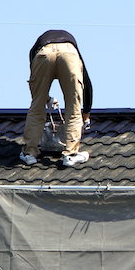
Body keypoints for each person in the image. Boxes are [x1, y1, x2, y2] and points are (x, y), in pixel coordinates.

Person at [20, 30, 93, 167]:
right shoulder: (72, 45)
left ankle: (29, 153)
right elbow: (87, 84)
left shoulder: (34, 49)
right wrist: (86, 115)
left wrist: (45, 99)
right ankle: (71, 155)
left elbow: (35, 89)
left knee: (37, 106)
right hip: (69, 53)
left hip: (43, 53)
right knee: (73, 108)